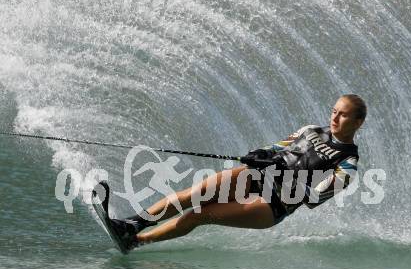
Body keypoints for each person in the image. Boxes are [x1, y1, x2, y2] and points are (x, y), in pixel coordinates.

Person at [113, 94, 366, 251]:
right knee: (194, 193)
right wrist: (261, 154)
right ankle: (131, 223)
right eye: (334, 111)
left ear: (357, 123)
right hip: (256, 177)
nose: (335, 118)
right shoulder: (310, 130)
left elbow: (314, 199)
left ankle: (136, 241)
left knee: (199, 214)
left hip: (273, 204)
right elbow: (277, 147)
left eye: (343, 115)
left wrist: (283, 176)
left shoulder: (347, 164)